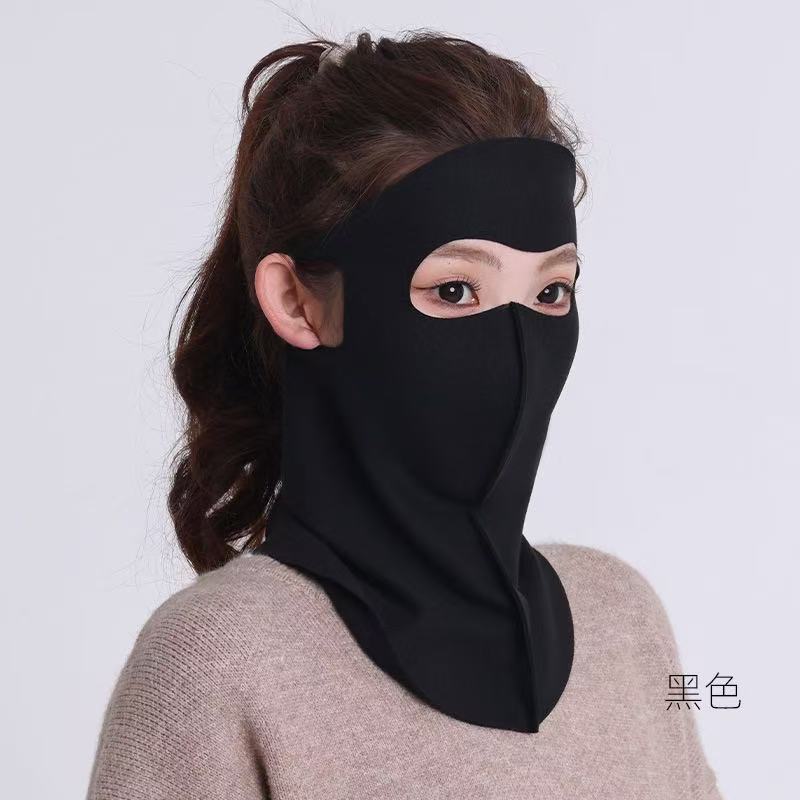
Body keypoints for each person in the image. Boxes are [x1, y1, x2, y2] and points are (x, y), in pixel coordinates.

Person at [86, 30, 723, 799]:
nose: (517, 349)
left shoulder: (620, 617)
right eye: (454, 290)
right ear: (296, 300)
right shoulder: (215, 661)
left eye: (550, 292)